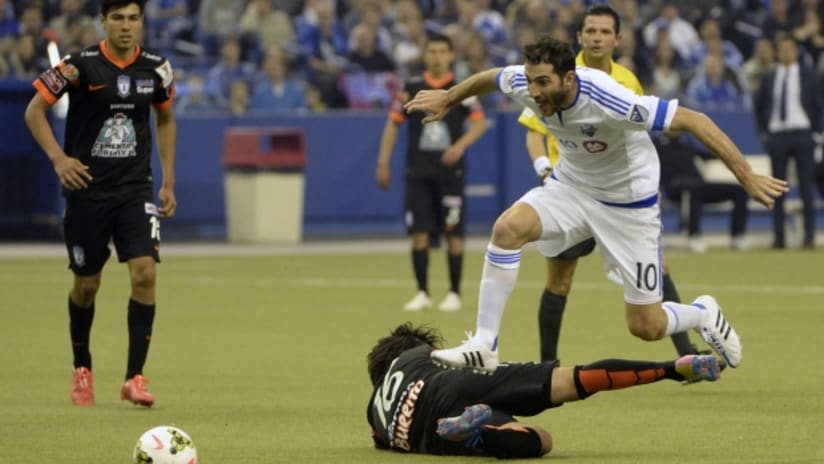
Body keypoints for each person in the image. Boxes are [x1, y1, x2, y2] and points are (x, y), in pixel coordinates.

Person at [404, 35, 788, 373]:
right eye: (531, 81)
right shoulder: (526, 81)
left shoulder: (609, 99)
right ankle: (485, 344)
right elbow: (491, 76)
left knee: (646, 326)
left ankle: (702, 313)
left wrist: (746, 176)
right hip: (571, 188)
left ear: (568, 79)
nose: (534, 92)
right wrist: (450, 97)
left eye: (543, 83)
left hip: (629, 206)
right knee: (508, 228)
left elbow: (694, 119)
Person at [516, 5, 703, 363]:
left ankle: (687, 352)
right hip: (572, 194)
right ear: (579, 37)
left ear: (617, 39)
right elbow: (533, 132)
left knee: (658, 269)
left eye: (604, 32)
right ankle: (546, 366)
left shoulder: (627, 81)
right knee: (559, 281)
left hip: (619, 198)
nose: (597, 38)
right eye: (590, 31)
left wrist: (646, 192)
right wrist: (543, 167)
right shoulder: (556, 75)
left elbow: (639, 142)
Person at [24, 0, 177, 407]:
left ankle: (135, 377)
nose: (126, 27)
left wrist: (168, 181)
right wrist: (59, 159)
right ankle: (82, 368)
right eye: (118, 19)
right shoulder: (78, 66)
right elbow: (34, 111)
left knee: (144, 273)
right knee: (87, 285)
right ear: (104, 22)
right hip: (87, 189)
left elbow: (164, 118)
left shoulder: (157, 69)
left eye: (133, 19)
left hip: (135, 189)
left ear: (142, 22)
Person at [366, 323, 722, 457]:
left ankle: (482, 433)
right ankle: (670, 369)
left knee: (541, 440)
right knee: (570, 380)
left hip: (435, 428)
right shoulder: (413, 353)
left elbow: (378, 439)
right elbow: (439, 355)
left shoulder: (374, 413)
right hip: (453, 380)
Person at [376, 34, 487, 312]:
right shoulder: (411, 87)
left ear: (450, 56)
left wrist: (459, 146)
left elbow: (479, 124)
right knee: (420, 234)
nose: (437, 56)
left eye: (442, 52)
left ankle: (454, 292)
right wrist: (383, 162)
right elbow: (393, 123)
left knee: (453, 234)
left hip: (450, 174)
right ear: (425, 55)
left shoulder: (461, 89)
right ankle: (423, 292)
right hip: (419, 172)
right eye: (432, 51)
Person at [754, 34, 822, 250]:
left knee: (805, 188)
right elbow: (760, 106)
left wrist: (817, 132)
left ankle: (809, 237)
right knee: (776, 190)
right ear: (777, 52)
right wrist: (765, 132)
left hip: (802, 133)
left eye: (789, 49)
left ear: (795, 52)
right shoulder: (770, 76)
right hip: (778, 135)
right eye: (781, 49)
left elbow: (818, 104)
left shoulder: (808, 75)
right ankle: (779, 237)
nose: (785, 53)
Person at [655, 133, 750, 253]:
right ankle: (693, 236)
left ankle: (738, 236)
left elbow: (704, 155)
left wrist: (728, 156)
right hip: (674, 187)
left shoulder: (684, 142)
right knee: (692, 190)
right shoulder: (655, 143)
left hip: (698, 185)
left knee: (739, 191)